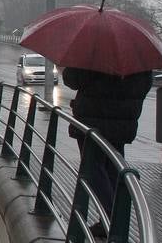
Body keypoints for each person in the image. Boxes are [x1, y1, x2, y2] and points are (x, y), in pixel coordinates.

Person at [61, 66, 153, 230]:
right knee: (114, 171)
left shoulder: (95, 54)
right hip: (122, 123)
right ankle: (115, 218)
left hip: (93, 121)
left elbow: (72, 79)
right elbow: (144, 87)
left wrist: (70, 67)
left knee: (93, 169)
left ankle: (110, 220)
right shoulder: (139, 60)